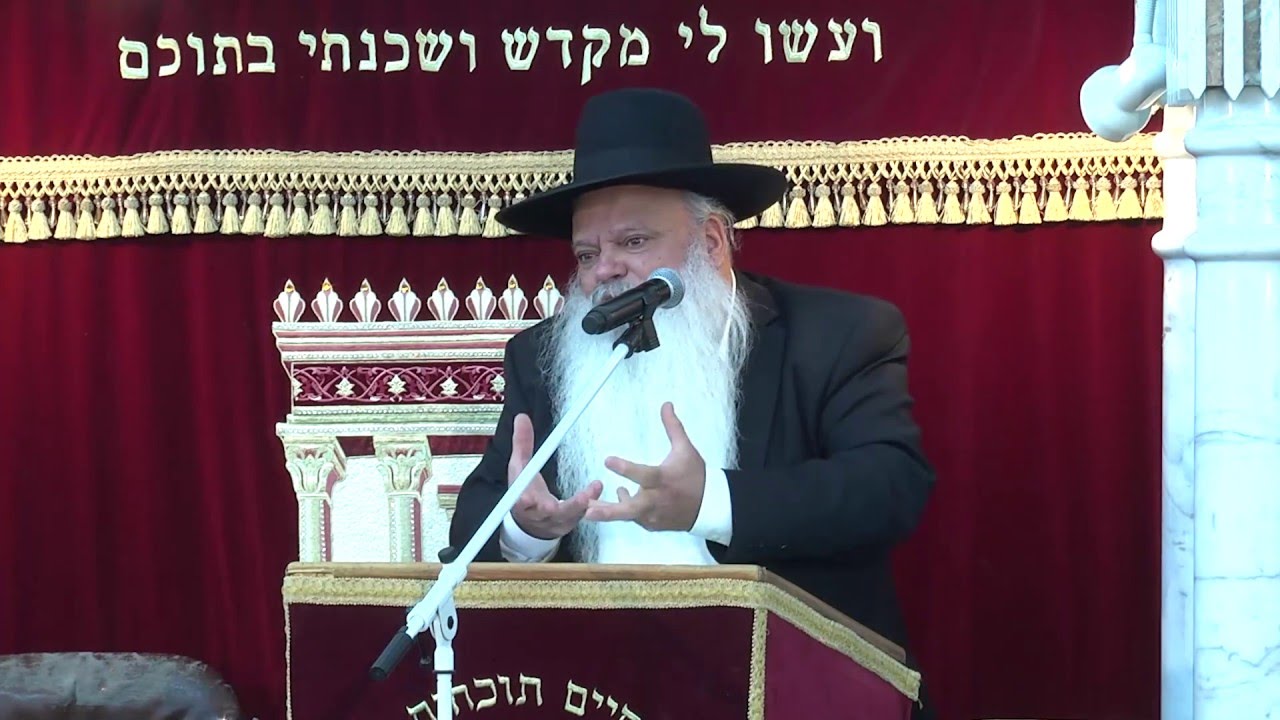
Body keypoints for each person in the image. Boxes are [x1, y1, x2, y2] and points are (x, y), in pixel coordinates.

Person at [448, 87, 936, 716]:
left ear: (710, 242)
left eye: (633, 242)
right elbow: (475, 524)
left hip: (789, 691)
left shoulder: (837, 336)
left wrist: (712, 502)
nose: (604, 271)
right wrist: (526, 530)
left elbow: (888, 488)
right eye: (587, 254)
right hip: (598, 691)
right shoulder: (541, 357)